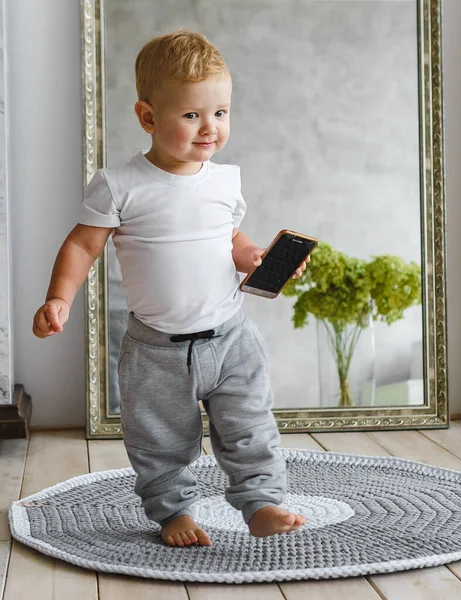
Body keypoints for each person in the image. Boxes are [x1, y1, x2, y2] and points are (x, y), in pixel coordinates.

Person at [32, 29, 308, 548]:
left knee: (250, 426)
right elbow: (81, 246)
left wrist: (255, 259)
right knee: (160, 438)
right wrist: (59, 298)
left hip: (230, 338)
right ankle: (173, 511)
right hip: (157, 348)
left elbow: (230, 238)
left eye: (221, 113)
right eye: (192, 115)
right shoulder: (120, 184)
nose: (210, 128)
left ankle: (260, 501)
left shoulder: (224, 180)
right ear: (147, 116)